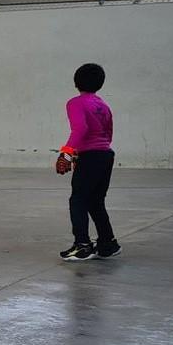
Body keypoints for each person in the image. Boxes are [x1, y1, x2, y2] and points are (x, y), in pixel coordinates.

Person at [56, 63, 118, 262]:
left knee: (78, 200)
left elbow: (80, 129)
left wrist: (66, 153)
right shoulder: (103, 105)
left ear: (76, 82)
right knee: (95, 201)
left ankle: (82, 245)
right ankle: (108, 243)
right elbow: (108, 133)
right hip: (105, 155)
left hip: (91, 156)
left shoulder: (75, 103)